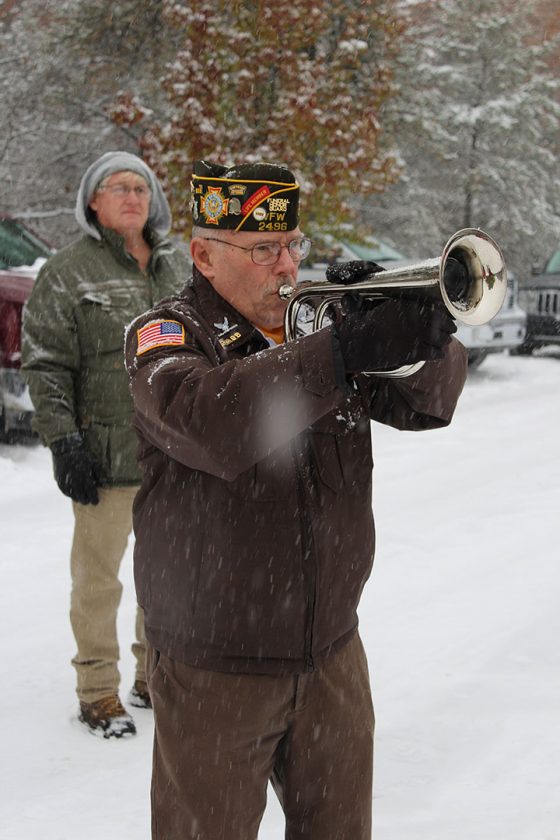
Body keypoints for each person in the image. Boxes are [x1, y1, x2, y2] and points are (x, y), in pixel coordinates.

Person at [124, 159, 468, 837]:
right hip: (215, 665)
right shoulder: (165, 336)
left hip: (332, 652)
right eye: (262, 250)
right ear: (204, 256)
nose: (285, 266)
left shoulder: (317, 327)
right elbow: (208, 420)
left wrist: (417, 336)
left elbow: (429, 405)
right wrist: (339, 352)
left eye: (292, 245)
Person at [21, 151, 190, 739]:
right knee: (98, 583)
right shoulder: (67, 272)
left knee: (165, 578)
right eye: (119, 187)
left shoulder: (177, 266)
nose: (133, 196)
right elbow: (45, 363)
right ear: (93, 201)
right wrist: (64, 442)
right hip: (104, 457)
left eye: (141, 187)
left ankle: (152, 677)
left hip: (174, 457)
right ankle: (97, 691)